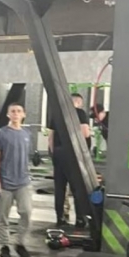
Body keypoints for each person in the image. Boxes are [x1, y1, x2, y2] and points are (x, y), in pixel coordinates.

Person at [0, 103, 33, 257]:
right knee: (3, 217)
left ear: (23, 114)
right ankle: (5, 246)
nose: (16, 114)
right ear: (8, 115)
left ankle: (20, 243)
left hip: (23, 182)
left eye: (19, 111)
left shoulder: (27, 134)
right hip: (5, 182)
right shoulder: (1, 133)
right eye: (13, 111)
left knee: (26, 213)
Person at [47, 94, 91, 228]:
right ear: (78, 102)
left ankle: (60, 218)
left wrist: (54, 155)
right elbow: (85, 133)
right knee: (77, 188)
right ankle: (80, 219)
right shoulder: (80, 113)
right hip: (73, 155)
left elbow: (50, 138)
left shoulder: (57, 114)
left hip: (59, 154)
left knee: (60, 189)